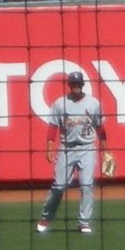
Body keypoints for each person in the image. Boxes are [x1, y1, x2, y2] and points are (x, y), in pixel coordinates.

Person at [36, 69, 106, 235]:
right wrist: (49, 148)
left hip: (87, 148)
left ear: (82, 85)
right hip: (67, 149)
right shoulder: (60, 103)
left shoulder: (93, 103)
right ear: (69, 85)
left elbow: (100, 127)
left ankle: (84, 222)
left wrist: (105, 150)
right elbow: (52, 127)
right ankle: (46, 217)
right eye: (73, 83)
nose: (76, 86)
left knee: (86, 185)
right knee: (59, 186)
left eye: (78, 84)